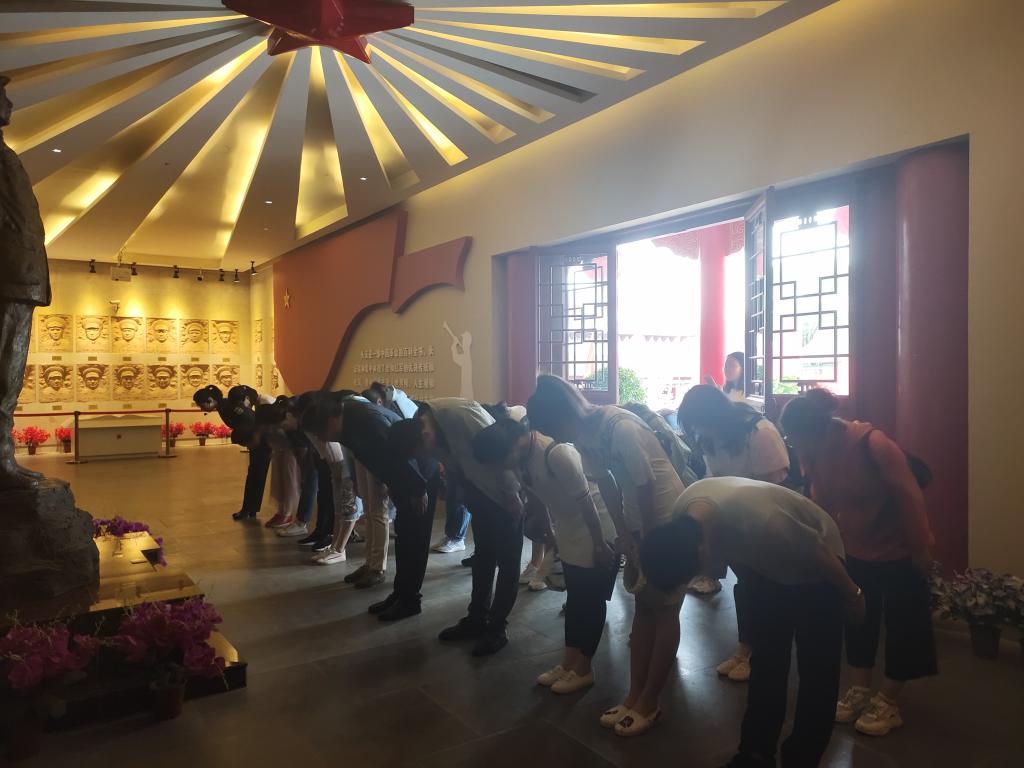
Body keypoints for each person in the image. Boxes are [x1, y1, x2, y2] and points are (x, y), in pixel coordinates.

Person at [641, 477, 865, 768]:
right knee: (767, 664)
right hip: (765, 566)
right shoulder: (684, 512)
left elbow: (818, 550)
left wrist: (853, 595)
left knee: (817, 672)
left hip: (819, 564)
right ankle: (754, 754)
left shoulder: (766, 521)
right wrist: (756, 588)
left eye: (692, 574)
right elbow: (737, 551)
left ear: (701, 552)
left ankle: (802, 758)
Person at [526, 375, 685, 736]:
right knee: (644, 608)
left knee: (664, 608)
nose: (556, 437)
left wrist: (648, 541)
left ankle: (650, 702)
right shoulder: (585, 437)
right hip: (639, 520)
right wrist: (624, 533)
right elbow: (608, 484)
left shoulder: (620, 427)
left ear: (564, 415)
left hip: (667, 520)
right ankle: (633, 697)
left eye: (553, 428)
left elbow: (646, 484)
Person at [781, 388, 936, 737]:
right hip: (855, 547)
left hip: (899, 548)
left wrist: (920, 548)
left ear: (818, 430)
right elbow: (818, 499)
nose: (793, 445)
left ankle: (888, 701)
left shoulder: (873, 444)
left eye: (795, 438)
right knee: (858, 618)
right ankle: (861, 690)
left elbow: (910, 497)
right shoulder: (811, 450)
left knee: (905, 626)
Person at [474, 418, 618, 694]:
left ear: (512, 447)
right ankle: (569, 663)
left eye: (498, 462)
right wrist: (550, 533)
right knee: (575, 598)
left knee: (591, 599)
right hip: (567, 525)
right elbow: (536, 496)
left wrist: (600, 543)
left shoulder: (556, 453)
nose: (499, 469)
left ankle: (584, 669)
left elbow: (587, 500)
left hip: (596, 524)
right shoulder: (519, 460)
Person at [677, 384, 791, 682]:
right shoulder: (710, 437)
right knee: (746, 587)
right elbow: (714, 480)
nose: (697, 431)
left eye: (699, 422)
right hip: (736, 522)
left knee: (764, 590)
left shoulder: (759, 433)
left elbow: (776, 492)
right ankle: (745, 650)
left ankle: (760, 655)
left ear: (714, 415)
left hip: (767, 524)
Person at [414, 398, 523, 656]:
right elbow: (454, 465)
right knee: (483, 558)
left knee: (508, 562)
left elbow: (500, 447)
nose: (427, 453)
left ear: (425, 432)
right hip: (479, 493)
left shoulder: (458, 414)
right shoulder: (427, 431)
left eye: (423, 449)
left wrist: (512, 494)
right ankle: (477, 618)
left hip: (505, 496)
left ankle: (497, 627)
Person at [0, 72, 50, 490]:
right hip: (10, 278)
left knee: (9, 375)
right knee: (3, 375)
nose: (10, 104)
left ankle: (4, 458)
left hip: (21, 279)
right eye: (2, 95)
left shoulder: (5, 155)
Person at [306, 392, 401, 589]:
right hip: (366, 457)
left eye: (321, 433)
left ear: (331, 420)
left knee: (377, 513)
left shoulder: (363, 417)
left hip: (383, 458)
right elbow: (351, 451)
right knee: (369, 512)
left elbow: (388, 450)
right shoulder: (341, 420)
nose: (322, 438)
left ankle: (377, 568)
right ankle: (369, 564)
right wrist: (354, 478)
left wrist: (387, 480)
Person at [369, 418, 443, 621]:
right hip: (410, 482)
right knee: (404, 540)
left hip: (423, 482)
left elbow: (418, 468)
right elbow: (397, 465)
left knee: (416, 543)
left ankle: (411, 601)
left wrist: (419, 490)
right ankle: (400, 593)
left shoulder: (424, 452)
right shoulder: (401, 441)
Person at [193, 384, 273, 520]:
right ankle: (250, 509)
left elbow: (252, 419)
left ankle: (248, 509)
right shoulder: (223, 407)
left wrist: (253, 438)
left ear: (210, 400)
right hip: (256, 442)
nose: (201, 408)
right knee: (255, 475)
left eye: (201, 405)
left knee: (256, 475)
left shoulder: (229, 406)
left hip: (260, 442)